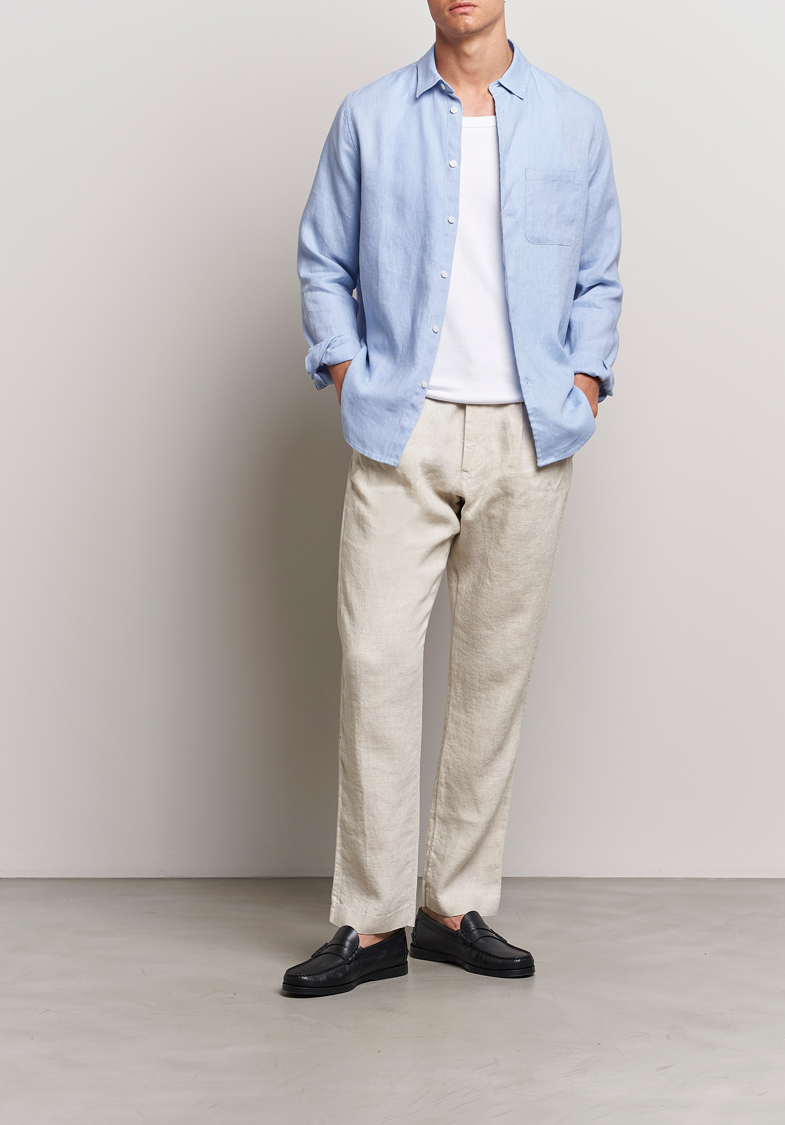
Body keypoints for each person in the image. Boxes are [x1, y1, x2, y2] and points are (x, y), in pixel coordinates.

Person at [282, 0, 621, 997]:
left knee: (491, 675)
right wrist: (351, 376)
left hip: (529, 433)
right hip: (403, 427)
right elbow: (322, 260)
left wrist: (582, 386)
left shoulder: (574, 122)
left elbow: (599, 275)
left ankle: (453, 906)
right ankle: (371, 920)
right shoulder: (368, 117)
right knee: (376, 659)